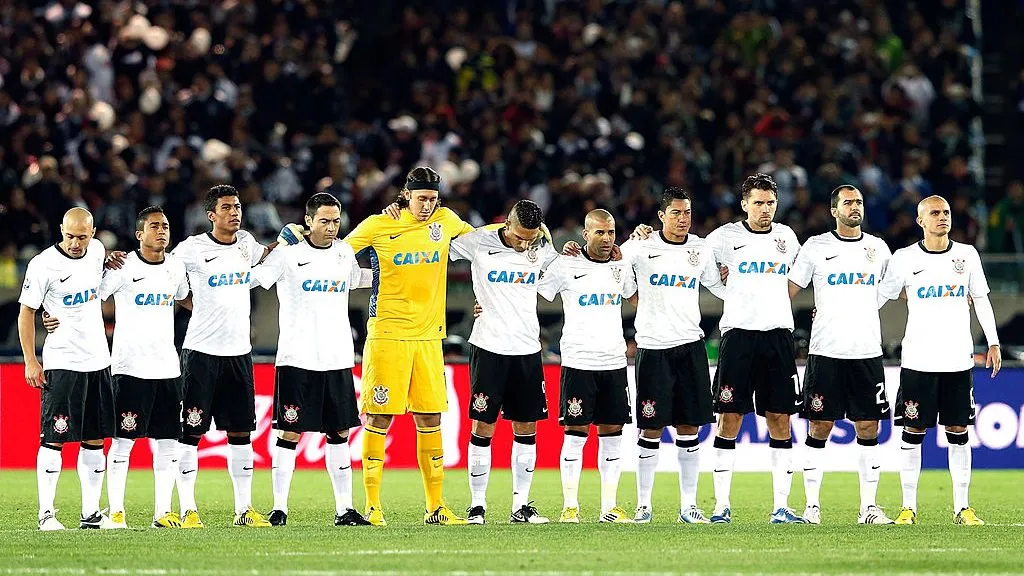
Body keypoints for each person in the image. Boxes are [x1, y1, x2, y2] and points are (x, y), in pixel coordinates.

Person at [343, 166, 474, 526]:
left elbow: (484, 245)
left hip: (430, 338)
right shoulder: (377, 225)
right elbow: (336, 255)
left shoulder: (446, 220)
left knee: (430, 417)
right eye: (421, 199)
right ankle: (372, 506)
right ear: (406, 195)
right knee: (380, 416)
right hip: (387, 335)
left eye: (433, 199)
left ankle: (436, 507)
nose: (428, 206)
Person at [45, 207, 191, 529]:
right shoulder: (123, 267)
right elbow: (84, 297)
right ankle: (115, 512)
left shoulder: (176, 269)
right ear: (139, 235)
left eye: (165, 226)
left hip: (168, 367)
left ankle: (162, 513)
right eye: (154, 227)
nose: (162, 231)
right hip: (129, 367)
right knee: (123, 444)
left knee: (167, 444)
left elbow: (185, 299)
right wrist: (49, 313)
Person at [878, 195, 1001, 526]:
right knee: (913, 430)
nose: (942, 217)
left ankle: (962, 508)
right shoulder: (905, 259)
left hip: (958, 360)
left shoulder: (967, 255)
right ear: (921, 220)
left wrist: (993, 341)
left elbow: (981, 299)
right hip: (918, 359)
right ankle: (907, 508)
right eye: (935, 213)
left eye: (946, 211)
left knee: (959, 430)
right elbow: (879, 296)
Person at [253, 193, 372, 527]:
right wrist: (274, 246)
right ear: (307, 221)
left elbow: (355, 279)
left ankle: (345, 509)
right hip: (297, 357)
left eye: (336, 221)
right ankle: (279, 508)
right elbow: (254, 277)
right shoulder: (289, 256)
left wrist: (387, 272)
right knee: (289, 434)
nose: (331, 228)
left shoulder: (344, 252)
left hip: (336, 358)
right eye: (324, 221)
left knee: (339, 432)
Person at [169, 184, 278, 528]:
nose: (235, 212)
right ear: (211, 215)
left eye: (237, 206)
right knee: (190, 433)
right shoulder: (191, 248)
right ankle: (188, 510)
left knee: (241, 433)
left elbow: (269, 257)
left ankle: (244, 510)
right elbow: (163, 277)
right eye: (227, 207)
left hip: (238, 355)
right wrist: (193, 303)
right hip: (201, 352)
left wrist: (291, 240)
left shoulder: (247, 244)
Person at [787, 186, 895, 525]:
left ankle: (869, 508)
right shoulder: (816, 247)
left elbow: (893, 289)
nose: (855, 207)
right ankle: (812, 506)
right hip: (826, 351)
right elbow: (788, 290)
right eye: (848, 202)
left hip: (866, 351)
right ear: (834, 210)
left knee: (868, 425)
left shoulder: (878, 248)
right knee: (820, 425)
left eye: (859, 202)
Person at [704, 173, 806, 524]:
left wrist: (774, 301)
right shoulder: (723, 238)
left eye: (770, 203)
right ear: (744, 204)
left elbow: (796, 278)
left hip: (777, 336)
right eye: (758, 203)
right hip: (738, 336)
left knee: (780, 418)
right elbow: (703, 271)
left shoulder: (787, 237)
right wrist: (731, 294)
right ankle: (721, 506)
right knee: (729, 418)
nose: (765, 210)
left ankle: (781, 506)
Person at [620, 188, 726, 524]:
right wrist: (641, 301)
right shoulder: (640, 246)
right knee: (651, 428)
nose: (683, 219)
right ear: (662, 215)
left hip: (690, 345)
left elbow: (717, 286)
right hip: (653, 346)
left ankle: (689, 505)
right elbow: (617, 277)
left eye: (687, 213)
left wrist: (734, 278)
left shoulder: (701, 248)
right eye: (676, 213)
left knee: (689, 426)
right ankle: (643, 505)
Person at [449, 199, 558, 525]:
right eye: (521, 236)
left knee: (526, 428)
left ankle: (520, 507)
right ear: (506, 225)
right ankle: (477, 506)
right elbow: (438, 248)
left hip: (527, 349)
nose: (526, 243)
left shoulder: (541, 247)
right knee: (483, 426)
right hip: (489, 347)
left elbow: (565, 271)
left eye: (532, 237)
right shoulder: (478, 241)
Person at [537, 209, 637, 524]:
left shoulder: (621, 266)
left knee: (612, 434)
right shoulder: (566, 265)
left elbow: (637, 299)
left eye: (610, 232)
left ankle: (609, 506)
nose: (606, 239)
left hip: (614, 362)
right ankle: (570, 506)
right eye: (599, 233)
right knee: (575, 434)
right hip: (579, 361)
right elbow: (533, 292)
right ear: (585, 234)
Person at [18, 208, 115, 530]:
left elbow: (99, 282)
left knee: (94, 439)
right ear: (61, 230)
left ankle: (90, 514)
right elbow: (26, 313)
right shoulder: (44, 264)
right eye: (70, 236)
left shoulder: (98, 251)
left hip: (98, 361)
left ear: (93, 233)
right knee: (54, 439)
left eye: (82, 237)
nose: (75, 243)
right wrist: (32, 360)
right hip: (62, 362)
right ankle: (46, 513)